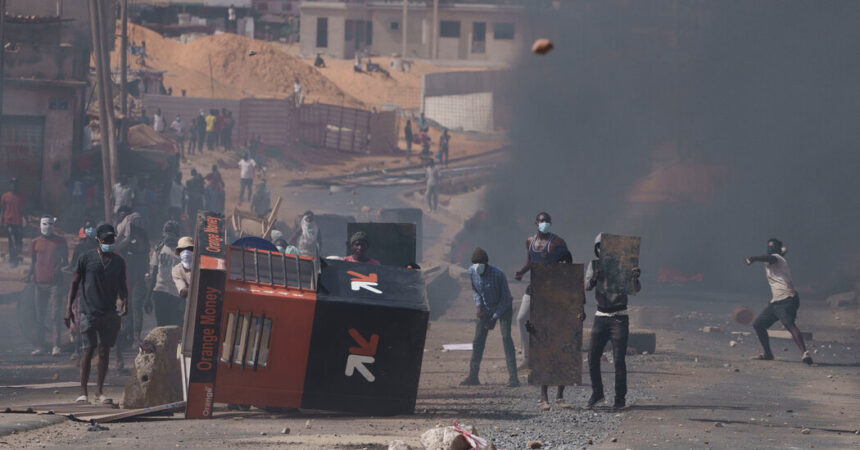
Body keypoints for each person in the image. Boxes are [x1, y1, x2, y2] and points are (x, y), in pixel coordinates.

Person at [64, 224, 127, 405]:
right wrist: (68, 308)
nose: (109, 242)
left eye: (111, 239)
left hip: (109, 312)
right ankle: (83, 392)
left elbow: (122, 285)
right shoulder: (86, 258)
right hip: (89, 311)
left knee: (104, 350)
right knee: (88, 350)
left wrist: (125, 302)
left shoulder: (118, 262)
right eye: (106, 239)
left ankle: (99, 391)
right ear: (98, 240)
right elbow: (74, 284)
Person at [524, 249, 585, 410]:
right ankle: (544, 398)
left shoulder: (574, 281)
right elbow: (536, 303)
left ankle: (560, 396)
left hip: (566, 324)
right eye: (561, 262)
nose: (564, 265)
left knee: (563, 360)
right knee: (546, 359)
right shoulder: (546, 279)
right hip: (548, 324)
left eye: (567, 262)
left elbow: (580, 304)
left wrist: (580, 316)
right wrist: (534, 323)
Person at [585, 233, 641, 410]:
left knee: (618, 360)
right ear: (597, 249)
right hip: (601, 315)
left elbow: (636, 289)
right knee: (592, 356)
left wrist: (634, 277)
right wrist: (595, 276)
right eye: (600, 247)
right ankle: (597, 393)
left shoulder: (624, 265)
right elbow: (587, 286)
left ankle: (620, 398)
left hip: (619, 316)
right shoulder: (594, 265)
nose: (603, 250)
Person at [514, 212, 569, 370]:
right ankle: (527, 358)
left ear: (551, 223)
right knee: (522, 318)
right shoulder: (530, 241)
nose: (544, 223)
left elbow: (566, 262)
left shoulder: (557, 242)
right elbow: (530, 262)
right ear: (536, 223)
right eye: (542, 221)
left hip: (551, 289)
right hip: (533, 287)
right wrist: (521, 272)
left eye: (547, 221)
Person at [745, 238, 813, 365]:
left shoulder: (776, 258)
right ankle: (768, 354)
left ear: (777, 249)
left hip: (786, 299)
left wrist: (753, 258)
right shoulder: (778, 258)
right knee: (758, 324)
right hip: (776, 301)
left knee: (789, 325)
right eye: (769, 247)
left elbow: (770, 258)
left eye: (773, 247)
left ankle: (805, 353)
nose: (770, 249)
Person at [460, 247, 519, 387]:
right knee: (478, 339)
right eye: (475, 263)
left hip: (503, 308)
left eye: (480, 262)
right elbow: (476, 291)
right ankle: (473, 376)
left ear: (486, 262)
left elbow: (505, 299)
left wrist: (494, 318)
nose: (477, 265)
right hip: (485, 308)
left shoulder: (498, 274)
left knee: (506, 338)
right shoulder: (471, 272)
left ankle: (513, 378)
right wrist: (479, 307)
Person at [29, 216, 69, 356]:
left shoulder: (60, 241)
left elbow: (65, 261)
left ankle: (56, 346)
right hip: (39, 283)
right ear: (40, 225)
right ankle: (40, 346)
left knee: (55, 315)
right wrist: (30, 275)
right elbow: (33, 261)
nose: (47, 226)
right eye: (45, 224)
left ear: (54, 225)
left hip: (54, 284)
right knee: (40, 315)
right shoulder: (35, 242)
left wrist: (59, 269)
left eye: (50, 224)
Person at [67, 221, 98, 360]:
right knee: (86, 319)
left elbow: (74, 269)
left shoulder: (84, 248)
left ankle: (79, 350)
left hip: (88, 290)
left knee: (82, 319)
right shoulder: (95, 248)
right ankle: (84, 349)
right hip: (90, 289)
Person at [146, 221, 184, 326]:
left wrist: (148, 297)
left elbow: (154, 274)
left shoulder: (160, 248)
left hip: (166, 294)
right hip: (167, 294)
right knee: (170, 329)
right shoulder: (160, 248)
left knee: (166, 329)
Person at [123, 220, 150, 347]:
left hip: (139, 278)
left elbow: (143, 248)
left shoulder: (142, 238)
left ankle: (136, 336)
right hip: (126, 278)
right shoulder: (124, 239)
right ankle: (127, 334)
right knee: (125, 307)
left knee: (136, 306)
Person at [1, 178, 26, 267]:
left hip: (18, 222)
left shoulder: (21, 196)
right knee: (12, 241)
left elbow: (24, 210)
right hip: (9, 222)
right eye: (12, 184)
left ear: (18, 185)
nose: (14, 186)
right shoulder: (5, 196)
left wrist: (24, 220)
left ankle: (16, 256)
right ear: (10, 185)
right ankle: (13, 259)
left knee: (19, 241)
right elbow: (2, 209)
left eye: (16, 184)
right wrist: (2, 221)